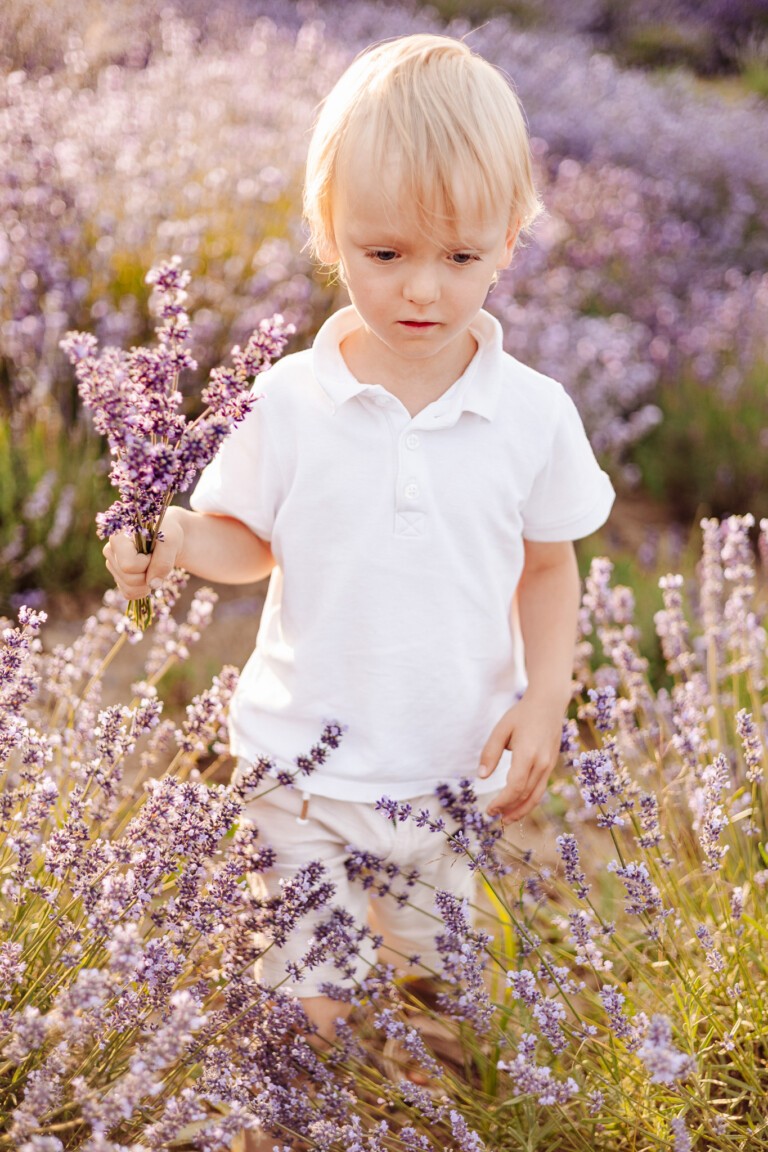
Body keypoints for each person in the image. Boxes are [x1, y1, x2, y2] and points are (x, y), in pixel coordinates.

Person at [105, 31, 613, 1063]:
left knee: (451, 1004)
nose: (422, 289)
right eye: (385, 255)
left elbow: (549, 565)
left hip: (447, 772)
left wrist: (547, 697)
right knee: (304, 1013)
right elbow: (250, 545)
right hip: (297, 770)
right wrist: (170, 540)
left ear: (512, 238)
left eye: (460, 257)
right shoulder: (288, 398)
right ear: (329, 234)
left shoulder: (533, 413)